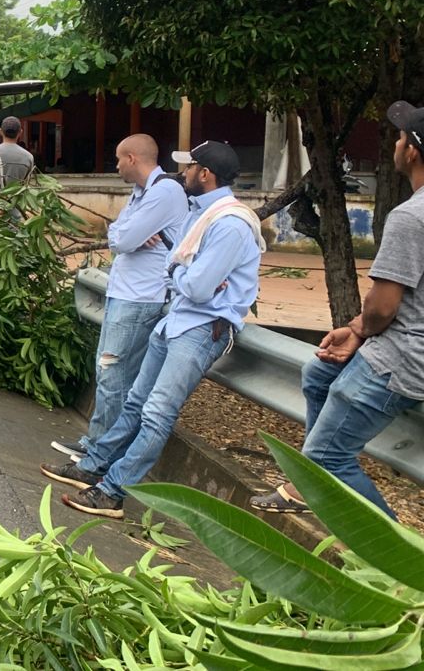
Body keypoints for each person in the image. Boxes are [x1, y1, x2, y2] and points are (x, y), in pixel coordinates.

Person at [44, 141, 264, 518]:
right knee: (135, 403)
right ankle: (93, 466)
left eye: (191, 167)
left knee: (157, 413)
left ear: (205, 174)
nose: (185, 173)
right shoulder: (202, 213)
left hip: (200, 329)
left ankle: (112, 492)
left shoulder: (230, 224)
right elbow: (178, 270)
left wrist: (182, 272)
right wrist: (184, 272)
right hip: (177, 319)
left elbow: (190, 281)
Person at [250, 103, 424, 518]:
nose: (396, 143)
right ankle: (307, 486)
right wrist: (357, 330)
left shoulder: (410, 217)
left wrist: (362, 329)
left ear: (413, 152)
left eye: (401, 137)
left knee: (328, 454)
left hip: (402, 359)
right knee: (319, 372)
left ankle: (397, 563)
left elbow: (383, 307)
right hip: (406, 351)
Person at [48, 135, 188, 463]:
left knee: (115, 374)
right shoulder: (143, 193)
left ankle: (101, 450)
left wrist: (128, 236)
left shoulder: (165, 192)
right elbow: (116, 234)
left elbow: (123, 240)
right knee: (110, 371)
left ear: (132, 158)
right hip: (124, 292)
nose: (117, 165)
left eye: (118, 159)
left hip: (141, 297)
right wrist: (128, 235)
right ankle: (98, 444)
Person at [0, 116, 38, 190]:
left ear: (0, 131)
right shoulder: (29, 157)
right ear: (20, 132)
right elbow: (26, 182)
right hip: (17, 199)